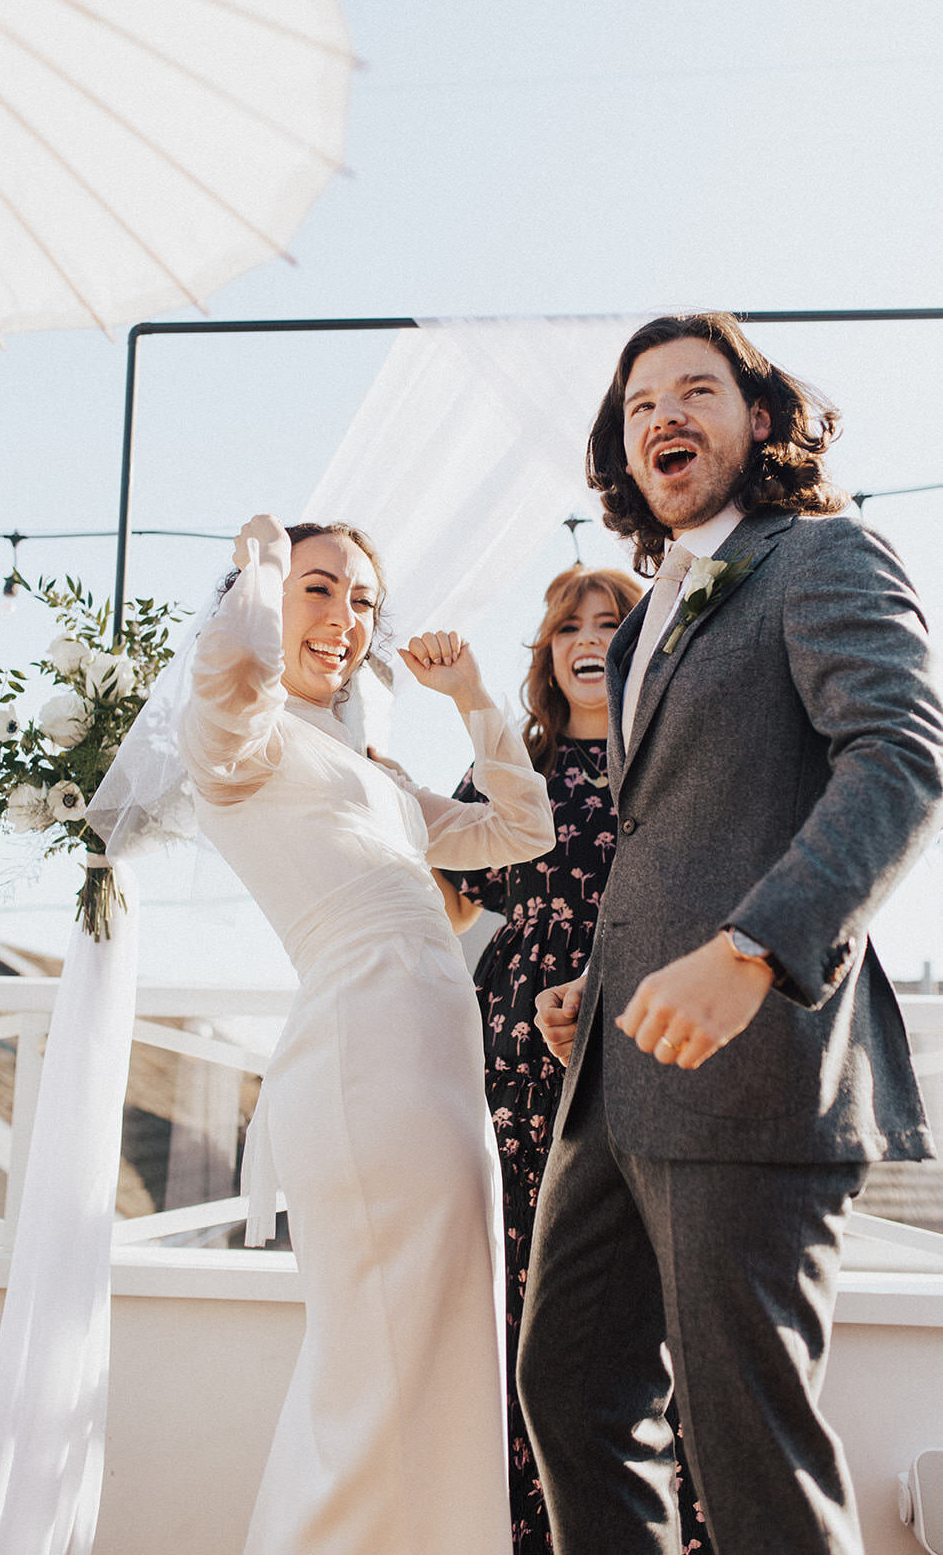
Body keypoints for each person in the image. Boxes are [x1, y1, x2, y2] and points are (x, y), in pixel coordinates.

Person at [519, 312, 943, 1555]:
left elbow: (900, 757)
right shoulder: (646, 613)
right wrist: (594, 989)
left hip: (754, 1075)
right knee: (573, 1397)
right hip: (613, 1081)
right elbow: (670, 836)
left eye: (694, 390)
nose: (662, 413)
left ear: (758, 419)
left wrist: (753, 948)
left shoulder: (823, 554)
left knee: (746, 1442)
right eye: (639, 399)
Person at [178, 514, 554, 1555]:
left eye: (360, 602)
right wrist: (258, 576)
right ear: (260, 603)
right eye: (318, 589)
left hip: (438, 1066)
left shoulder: (375, 771)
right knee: (372, 1369)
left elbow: (519, 831)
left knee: (443, 1353)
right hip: (361, 1063)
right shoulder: (239, 746)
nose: (343, 620)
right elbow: (227, 680)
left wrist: (476, 697)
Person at [438, 564, 711, 1555]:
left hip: (648, 1055)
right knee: (528, 1321)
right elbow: (439, 907)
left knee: (655, 1329)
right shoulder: (512, 764)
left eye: (611, 620)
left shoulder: (676, 760)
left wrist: (603, 995)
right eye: (568, 626)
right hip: (515, 1072)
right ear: (547, 654)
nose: (588, 636)